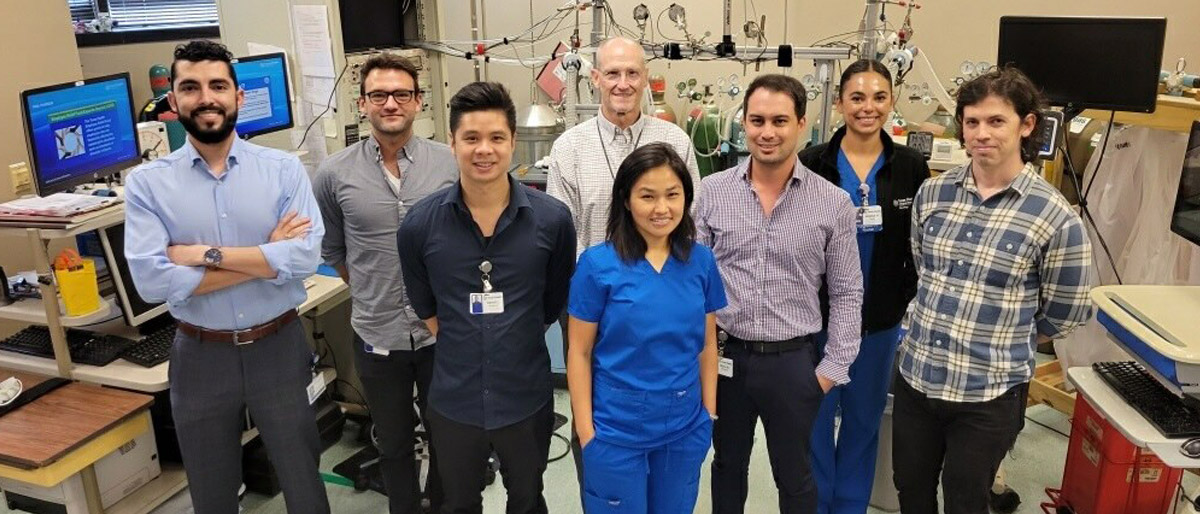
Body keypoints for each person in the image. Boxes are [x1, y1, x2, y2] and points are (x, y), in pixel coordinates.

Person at [124, 40, 329, 514]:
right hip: (200, 355)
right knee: (212, 495)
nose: (206, 97)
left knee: (304, 485)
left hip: (278, 348)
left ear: (238, 95)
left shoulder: (282, 170)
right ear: (173, 104)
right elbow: (153, 283)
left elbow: (303, 259)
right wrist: (264, 256)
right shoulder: (148, 184)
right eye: (190, 87)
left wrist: (199, 255)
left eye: (218, 85)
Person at [893, 66, 1093, 514]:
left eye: (996, 121)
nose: (982, 133)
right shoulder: (933, 193)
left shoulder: (1055, 217)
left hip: (988, 394)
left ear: (1026, 125)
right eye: (972, 122)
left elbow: (1064, 312)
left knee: (966, 500)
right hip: (917, 380)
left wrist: (1000, 335)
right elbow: (926, 271)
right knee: (911, 489)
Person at [396, 81, 576, 514]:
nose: (484, 150)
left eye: (496, 138)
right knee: (457, 503)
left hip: (525, 399)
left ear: (513, 142)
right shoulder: (419, 226)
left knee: (528, 500)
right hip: (454, 402)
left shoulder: (552, 222)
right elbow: (427, 309)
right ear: (452, 142)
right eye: (471, 138)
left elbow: (551, 304)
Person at [697, 74, 863, 514]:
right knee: (727, 466)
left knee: (795, 475)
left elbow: (848, 292)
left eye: (779, 120)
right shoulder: (710, 195)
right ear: (744, 125)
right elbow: (693, 285)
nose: (767, 132)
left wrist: (830, 370)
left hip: (794, 363)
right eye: (756, 120)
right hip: (727, 358)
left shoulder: (833, 203)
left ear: (802, 124)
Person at [546, 36, 702, 498]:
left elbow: (686, 224)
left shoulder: (674, 141)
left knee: (664, 414)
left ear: (646, 78)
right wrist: (604, 296)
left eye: (632, 73)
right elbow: (564, 237)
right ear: (595, 79)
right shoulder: (570, 148)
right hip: (591, 309)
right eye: (612, 73)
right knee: (592, 418)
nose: (622, 83)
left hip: (662, 304)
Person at [313, 53, 456, 514]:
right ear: (363, 104)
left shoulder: (449, 165)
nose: (390, 103)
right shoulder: (334, 174)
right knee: (393, 444)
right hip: (377, 335)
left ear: (418, 102)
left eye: (401, 94)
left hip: (441, 334)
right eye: (379, 95)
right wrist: (372, 288)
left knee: (447, 435)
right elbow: (333, 249)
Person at [797, 59, 930, 514]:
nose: (867, 107)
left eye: (878, 97)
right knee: (813, 421)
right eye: (856, 97)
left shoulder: (910, 167)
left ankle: (850, 507)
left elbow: (921, 242)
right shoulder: (813, 163)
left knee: (863, 422)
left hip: (878, 323)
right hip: (817, 321)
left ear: (891, 102)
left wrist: (906, 298)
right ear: (838, 104)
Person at [566, 143, 725, 513]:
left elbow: (707, 344)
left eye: (673, 195)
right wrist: (587, 433)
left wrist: (709, 414)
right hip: (615, 432)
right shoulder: (597, 265)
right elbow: (579, 352)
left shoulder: (700, 261)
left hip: (685, 428)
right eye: (647, 196)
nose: (661, 208)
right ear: (626, 199)